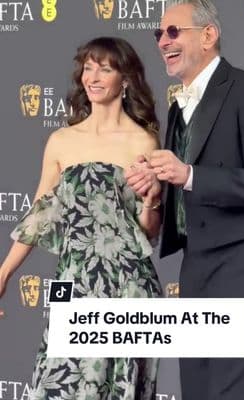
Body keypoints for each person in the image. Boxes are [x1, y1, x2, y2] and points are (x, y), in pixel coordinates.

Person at [126, 1, 244, 399]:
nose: (162, 41)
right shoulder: (178, 106)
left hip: (243, 266)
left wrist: (188, 175)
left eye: (173, 32)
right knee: (198, 389)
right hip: (196, 268)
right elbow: (186, 193)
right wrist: (156, 187)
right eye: (158, 34)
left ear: (208, 35)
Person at [0, 37, 162, 400]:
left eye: (105, 69)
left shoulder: (144, 143)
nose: (93, 76)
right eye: (88, 68)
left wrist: (152, 201)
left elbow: (148, 233)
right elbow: (37, 218)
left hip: (127, 285)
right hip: (71, 281)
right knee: (57, 380)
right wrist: (4, 273)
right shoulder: (61, 140)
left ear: (126, 80)